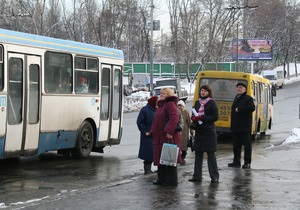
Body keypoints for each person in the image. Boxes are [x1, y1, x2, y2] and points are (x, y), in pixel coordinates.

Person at [188, 85, 219, 183]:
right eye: (201, 90)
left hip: (209, 131)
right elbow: (194, 114)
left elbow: (215, 117)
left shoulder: (212, 103)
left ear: (209, 92)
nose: (202, 92)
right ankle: (197, 176)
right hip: (199, 132)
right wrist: (193, 118)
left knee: (211, 155)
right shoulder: (197, 103)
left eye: (205, 91)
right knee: (198, 154)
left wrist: (201, 118)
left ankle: (214, 176)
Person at [151, 87, 182, 186]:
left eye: (164, 93)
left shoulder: (170, 104)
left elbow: (174, 118)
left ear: (169, 95)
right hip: (160, 136)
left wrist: (169, 131)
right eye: (161, 93)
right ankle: (162, 178)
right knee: (161, 158)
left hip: (168, 136)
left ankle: (171, 181)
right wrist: (152, 131)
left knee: (169, 158)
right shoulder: (161, 106)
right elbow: (156, 121)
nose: (161, 95)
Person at [228, 82, 255, 169]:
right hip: (236, 126)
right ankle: (236, 161)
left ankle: (247, 162)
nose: (239, 89)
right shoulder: (236, 98)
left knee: (246, 145)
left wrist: (240, 109)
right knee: (236, 145)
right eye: (238, 87)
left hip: (244, 127)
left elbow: (251, 108)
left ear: (245, 89)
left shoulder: (248, 98)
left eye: (240, 87)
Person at [136, 96, 158, 174]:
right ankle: (147, 170)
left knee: (156, 153)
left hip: (156, 135)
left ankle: (157, 169)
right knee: (148, 154)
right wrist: (145, 131)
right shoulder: (145, 110)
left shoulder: (157, 110)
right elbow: (140, 122)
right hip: (148, 136)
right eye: (156, 103)